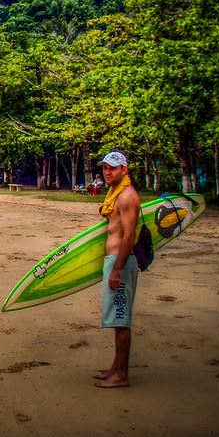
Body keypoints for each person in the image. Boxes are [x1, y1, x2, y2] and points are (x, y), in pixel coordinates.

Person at [93, 151, 140, 388]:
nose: (107, 172)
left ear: (124, 169)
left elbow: (129, 235)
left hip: (121, 262)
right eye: (105, 168)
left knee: (121, 320)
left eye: (112, 168)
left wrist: (118, 269)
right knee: (116, 318)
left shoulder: (128, 196)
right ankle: (115, 367)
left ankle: (121, 374)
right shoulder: (116, 193)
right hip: (113, 261)